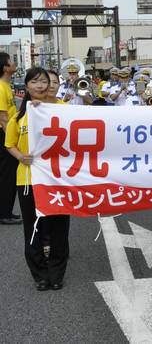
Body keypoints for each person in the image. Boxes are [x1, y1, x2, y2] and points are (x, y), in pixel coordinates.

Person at [5, 67, 70, 290]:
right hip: (28, 181)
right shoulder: (19, 117)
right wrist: (21, 157)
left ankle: (56, 273)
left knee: (59, 228)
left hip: (58, 180)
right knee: (33, 228)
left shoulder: (64, 111)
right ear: (27, 86)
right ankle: (40, 274)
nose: (41, 86)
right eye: (35, 82)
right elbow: (9, 144)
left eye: (44, 82)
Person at [0, 52, 21, 225]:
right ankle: (4, 213)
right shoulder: (0, 87)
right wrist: (12, 142)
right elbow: (3, 118)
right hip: (4, 135)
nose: (14, 63)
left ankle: (6, 211)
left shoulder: (7, 85)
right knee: (6, 175)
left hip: (7, 134)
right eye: (11, 61)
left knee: (8, 175)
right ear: (6, 67)